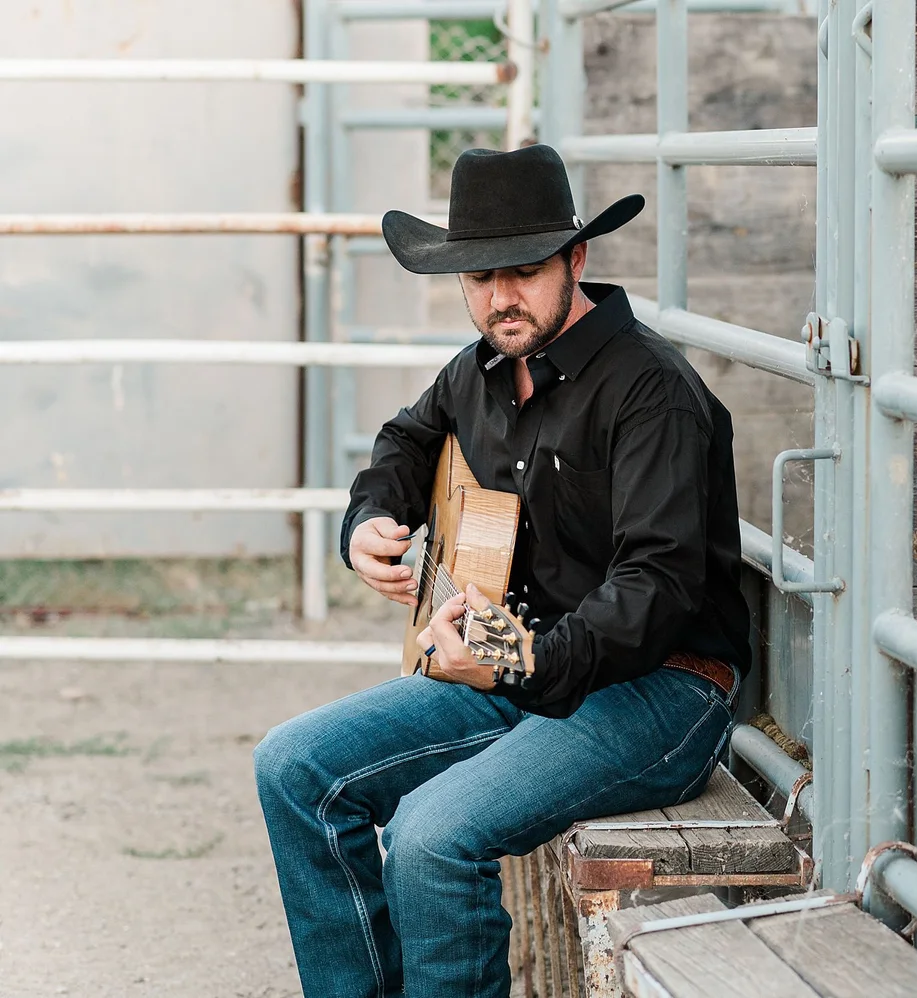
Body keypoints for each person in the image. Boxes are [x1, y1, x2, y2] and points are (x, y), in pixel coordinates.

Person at [253, 145, 751, 998]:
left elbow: (658, 587)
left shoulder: (650, 392)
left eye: (522, 273)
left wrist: (522, 663)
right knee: (293, 766)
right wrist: (372, 518)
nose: (498, 298)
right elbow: (406, 442)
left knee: (430, 834)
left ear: (577, 260)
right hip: (515, 667)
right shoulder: (480, 367)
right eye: (478, 277)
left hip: (658, 691)